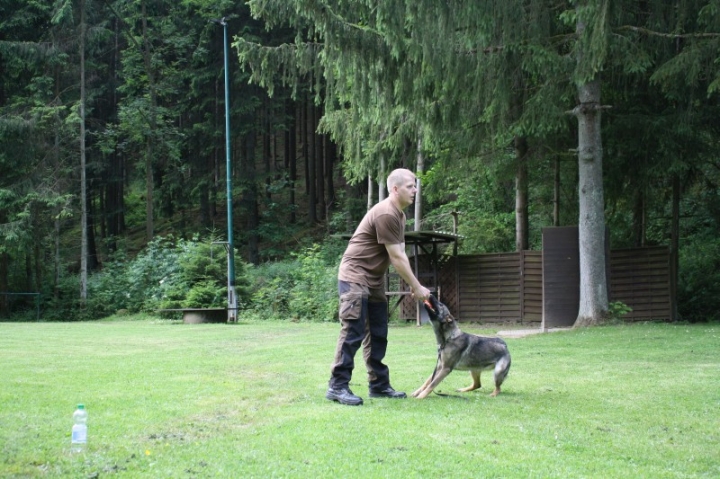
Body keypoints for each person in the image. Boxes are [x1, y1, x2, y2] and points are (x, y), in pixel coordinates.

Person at [326, 168, 432, 406]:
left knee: (378, 333)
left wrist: (414, 285)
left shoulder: (400, 216)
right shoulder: (386, 213)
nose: (415, 190)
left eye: (415, 186)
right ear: (395, 189)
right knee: (353, 330)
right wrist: (416, 286)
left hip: (373, 280)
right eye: (410, 186)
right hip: (355, 276)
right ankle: (337, 386)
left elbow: (401, 254)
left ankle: (379, 385)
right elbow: (396, 258)